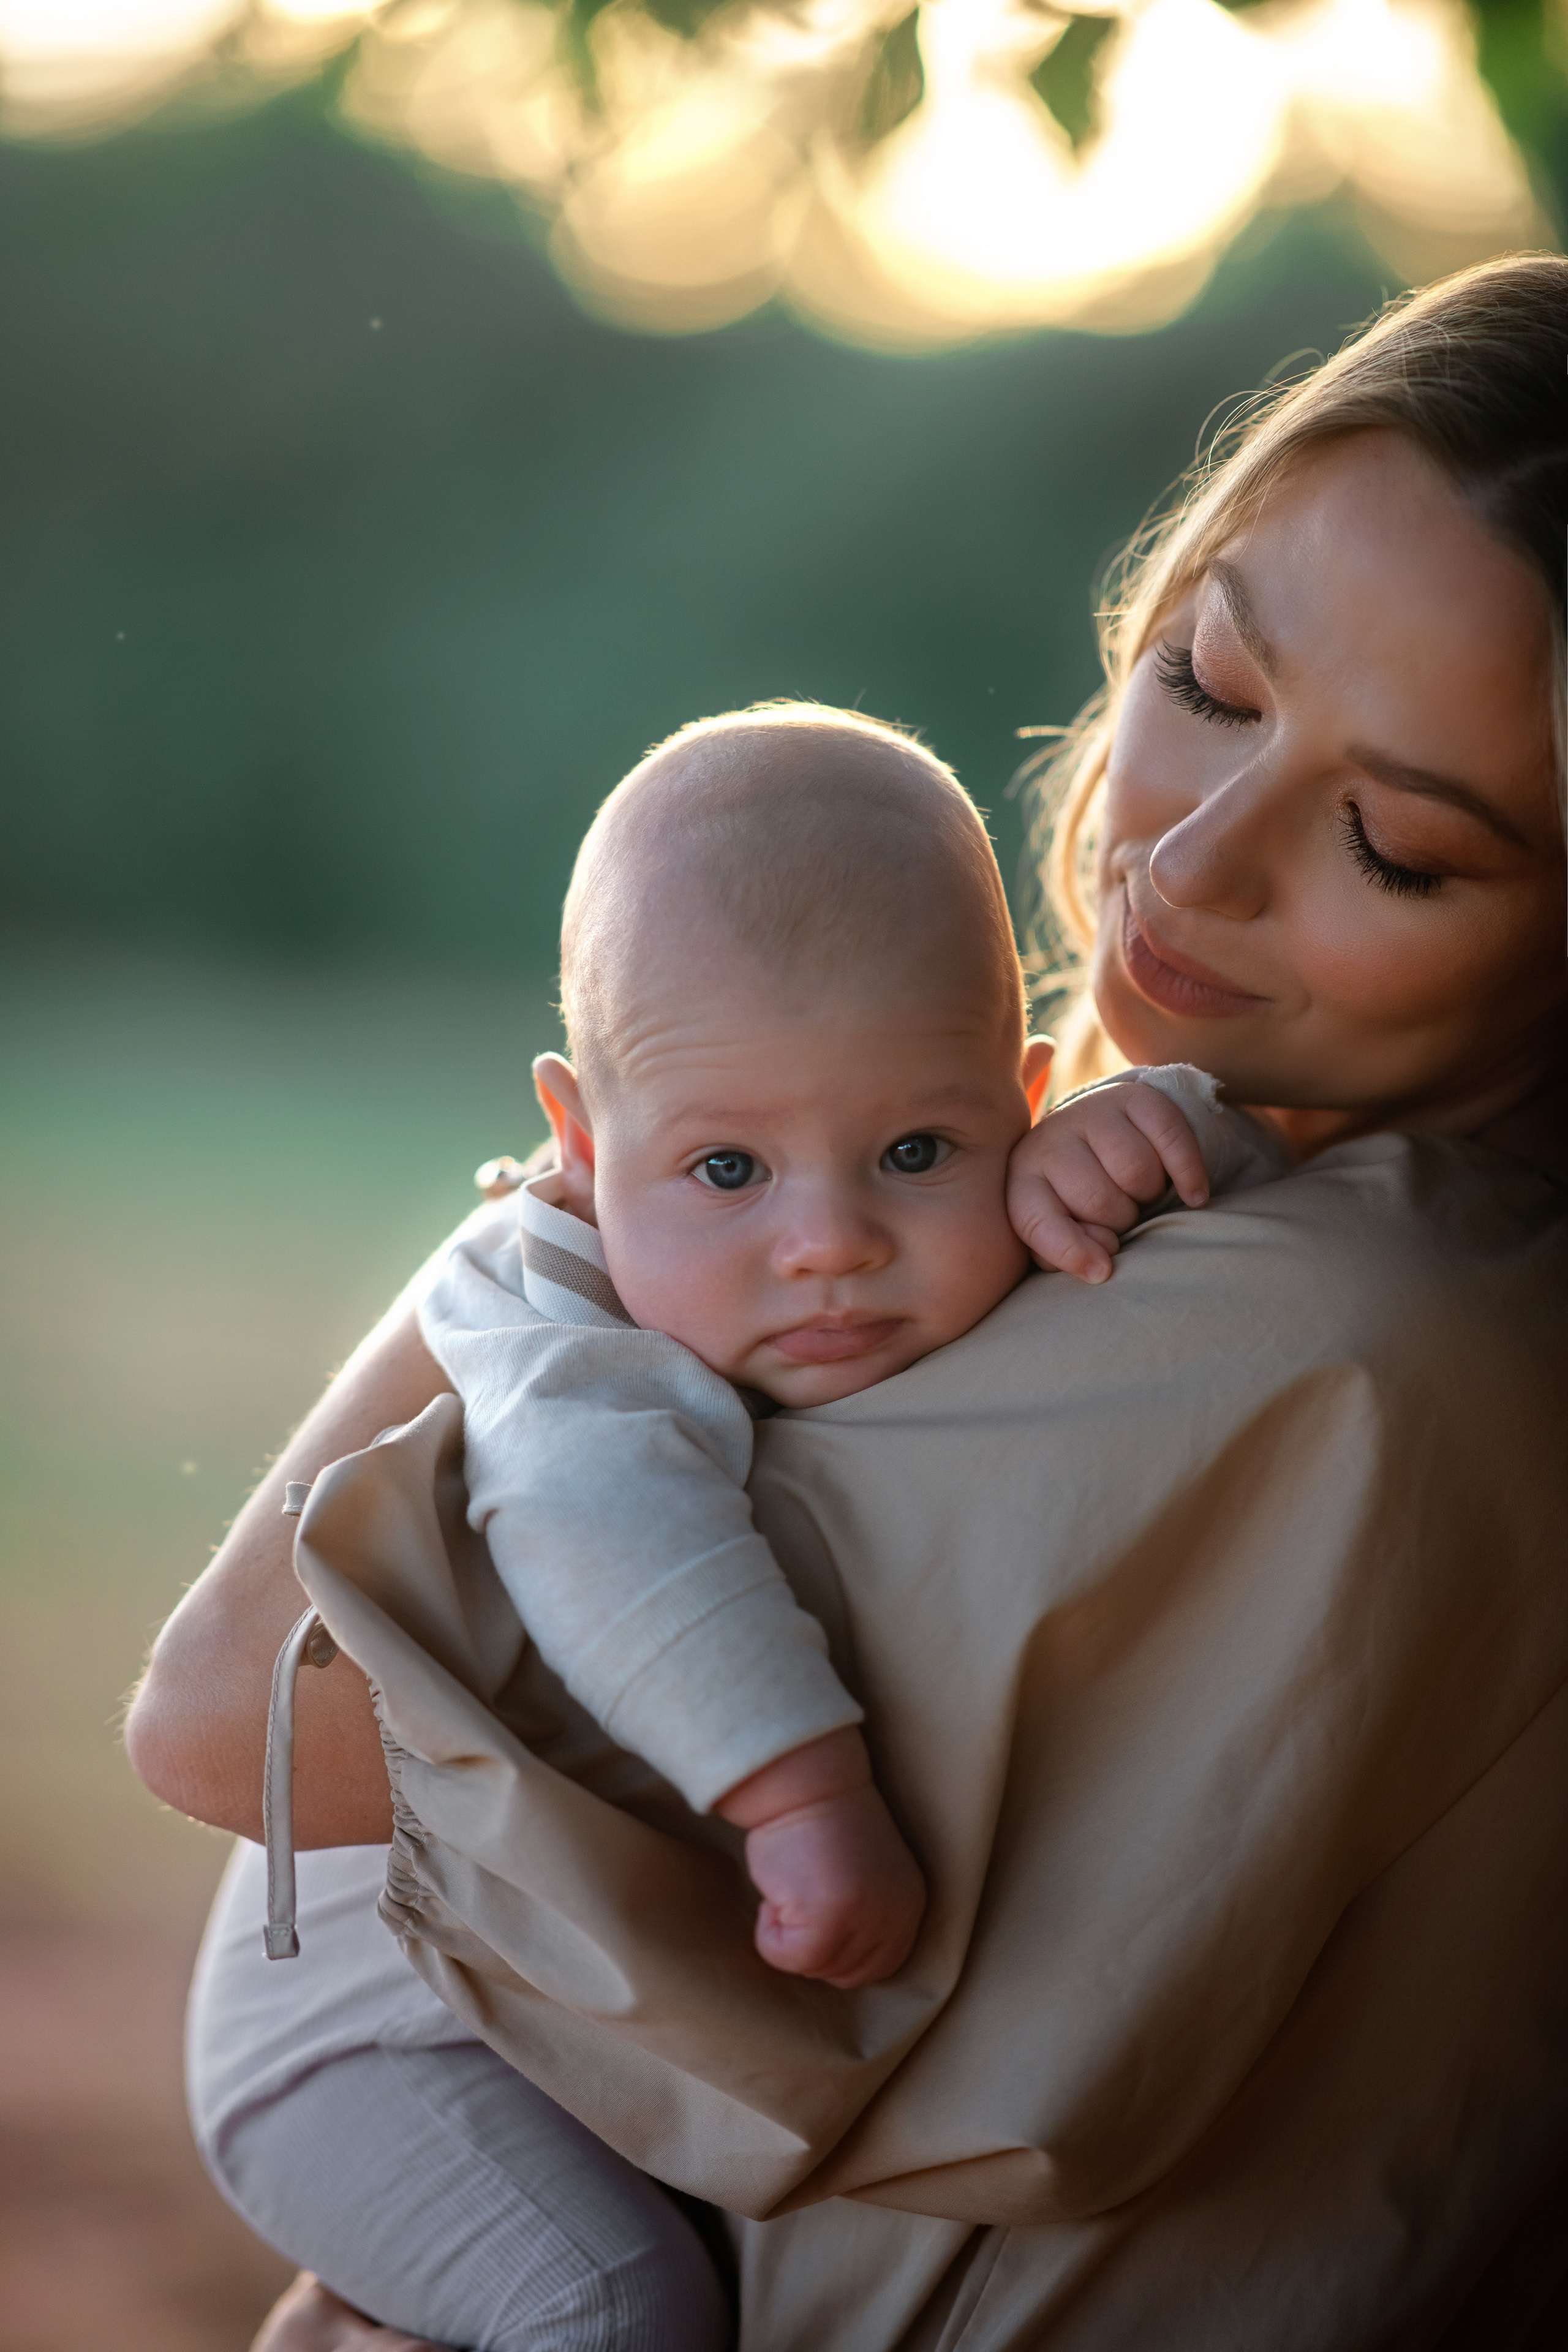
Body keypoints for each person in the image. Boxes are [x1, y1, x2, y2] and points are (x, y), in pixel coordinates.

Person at [128, 252, 1568, 2350]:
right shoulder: (1185, 1190)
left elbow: (234, 1721)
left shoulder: (1341, 1335)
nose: (1190, 863)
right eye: (1209, 681)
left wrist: (561, 1227)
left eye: (1396, 846)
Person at [186, 700, 1270, 2347]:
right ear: (577, 1146)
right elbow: (603, 1525)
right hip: (381, 2030)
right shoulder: (551, 1307)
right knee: (617, 2310)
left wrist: (1169, 1130)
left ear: (1026, 1095)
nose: (831, 1241)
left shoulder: (978, 1213)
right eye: (726, 1172)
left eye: (916, 1148)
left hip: (610, 2006)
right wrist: (801, 1792)